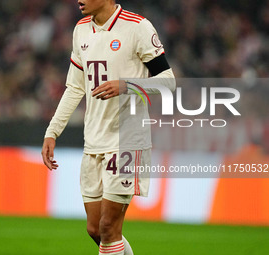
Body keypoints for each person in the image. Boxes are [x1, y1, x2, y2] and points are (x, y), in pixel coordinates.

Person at [42, 0, 175, 254]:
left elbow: (168, 82)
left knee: (108, 226)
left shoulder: (138, 27)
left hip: (127, 140)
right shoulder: (80, 29)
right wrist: (52, 131)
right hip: (93, 141)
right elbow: (75, 87)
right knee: (95, 229)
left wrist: (126, 85)